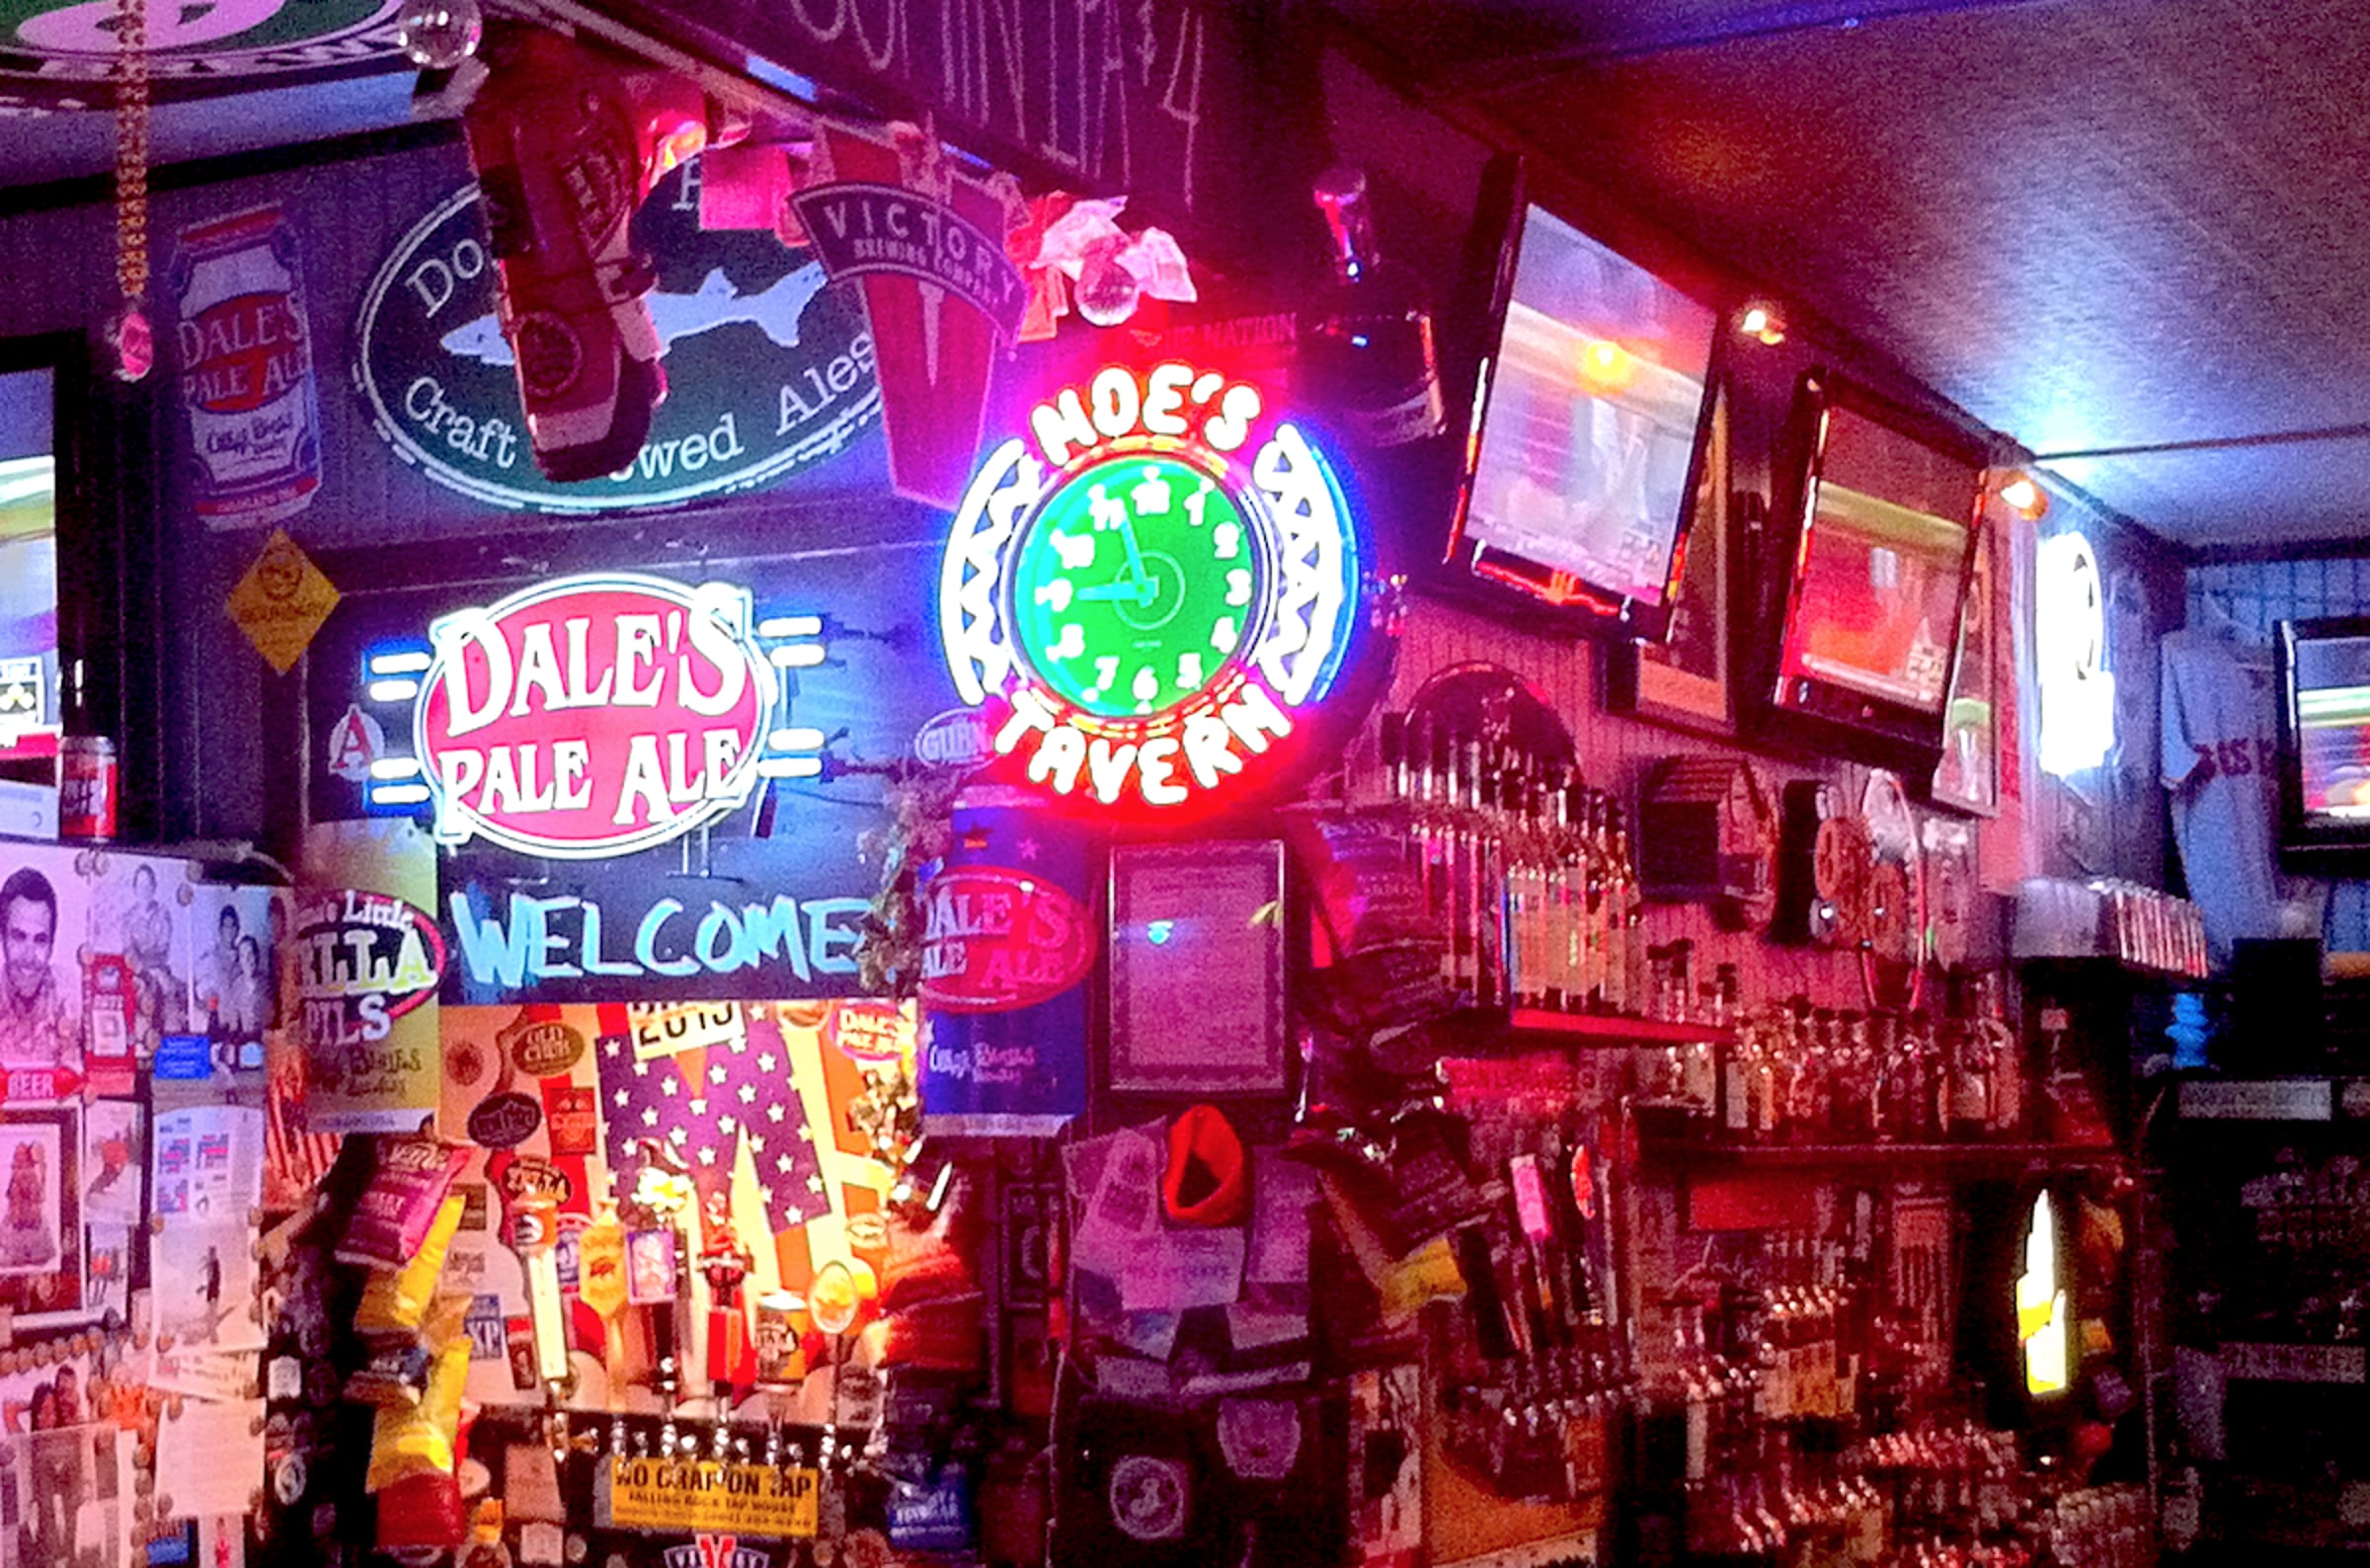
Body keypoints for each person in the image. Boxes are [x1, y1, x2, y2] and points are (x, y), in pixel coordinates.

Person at [0, 868, 74, 1071]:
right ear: (2, 936)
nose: (29, 956)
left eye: (40, 940)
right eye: (19, 937)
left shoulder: (72, 1000)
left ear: (52, 945)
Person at [122, 863, 186, 1038]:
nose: (145, 890)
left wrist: (154, 968)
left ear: (154, 887)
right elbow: (129, 954)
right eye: (141, 885)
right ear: (135, 888)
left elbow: (163, 950)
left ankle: (170, 1039)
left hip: (160, 970)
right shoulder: (128, 919)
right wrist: (144, 969)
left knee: (171, 992)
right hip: (137, 974)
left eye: (148, 885)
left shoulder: (163, 914)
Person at [0, 1141, 56, 1271]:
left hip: (29, 1215)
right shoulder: (16, 1174)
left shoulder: (30, 1174)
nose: (17, 1158)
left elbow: (36, 1196)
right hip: (17, 1216)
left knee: (30, 1239)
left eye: (21, 1155)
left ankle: (28, 1257)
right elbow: (12, 1195)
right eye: (16, 1155)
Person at [194, 902, 242, 1040]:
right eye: (226, 926)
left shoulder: (244, 958)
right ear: (220, 929)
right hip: (217, 1023)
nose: (230, 931)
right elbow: (201, 993)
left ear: (237, 929)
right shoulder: (210, 958)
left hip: (239, 1024)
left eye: (233, 926)